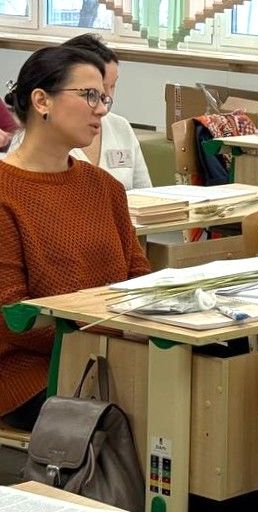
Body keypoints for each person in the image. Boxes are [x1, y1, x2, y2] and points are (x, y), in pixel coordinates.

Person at [0, 46, 150, 430]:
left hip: (110, 355)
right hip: (30, 371)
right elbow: (10, 317)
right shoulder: (5, 193)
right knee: (154, 418)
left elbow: (138, 278)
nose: (101, 110)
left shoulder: (104, 188)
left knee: (209, 394)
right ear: (42, 101)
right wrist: (109, 333)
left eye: (104, 98)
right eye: (89, 96)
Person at [9, 34, 152, 190]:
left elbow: (146, 195)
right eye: (90, 94)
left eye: (112, 86)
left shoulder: (105, 185)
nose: (105, 104)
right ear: (42, 101)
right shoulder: (14, 179)